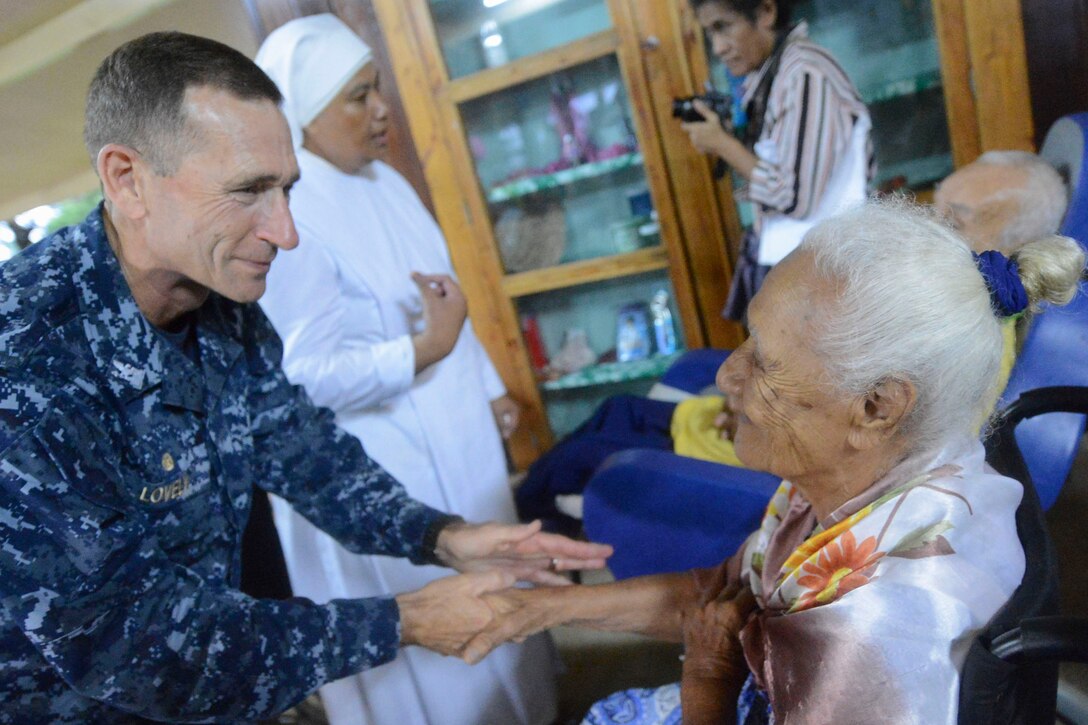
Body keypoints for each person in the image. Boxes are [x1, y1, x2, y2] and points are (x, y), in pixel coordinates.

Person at [0, 31, 611, 722]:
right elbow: (131, 645)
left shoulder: (217, 296)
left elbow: (301, 447)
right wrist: (400, 621)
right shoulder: (23, 356)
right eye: (249, 191)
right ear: (126, 179)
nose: (286, 232)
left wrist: (442, 535)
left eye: (286, 189)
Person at [465, 200, 1085, 723]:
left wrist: (708, 677)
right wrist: (536, 609)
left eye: (763, 359)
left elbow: (723, 631)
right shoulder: (873, 473)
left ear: (875, 406)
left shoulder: (866, 630)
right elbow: (727, 592)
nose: (726, 374)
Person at [254, 15, 557, 725]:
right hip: (378, 474)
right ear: (302, 114)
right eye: (357, 97)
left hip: (457, 443)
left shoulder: (385, 182)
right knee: (432, 648)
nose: (380, 108)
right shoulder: (294, 214)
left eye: (377, 89)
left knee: (501, 603)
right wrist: (418, 353)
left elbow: (443, 295)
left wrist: (484, 384)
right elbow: (299, 380)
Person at [515, 149, 1071, 532]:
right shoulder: (926, 302)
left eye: (955, 217)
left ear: (1018, 238)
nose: (931, 223)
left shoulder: (962, 340)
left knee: (583, 458)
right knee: (615, 412)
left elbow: (916, 439)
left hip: (759, 440)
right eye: (937, 205)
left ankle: (531, 532)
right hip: (751, 420)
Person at [682, 0, 873, 321]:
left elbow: (796, 197)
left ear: (766, 12)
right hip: (809, 271)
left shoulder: (805, 74)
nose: (717, 48)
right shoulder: (778, 73)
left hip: (827, 278)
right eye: (708, 34)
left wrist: (724, 144)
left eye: (723, 27)